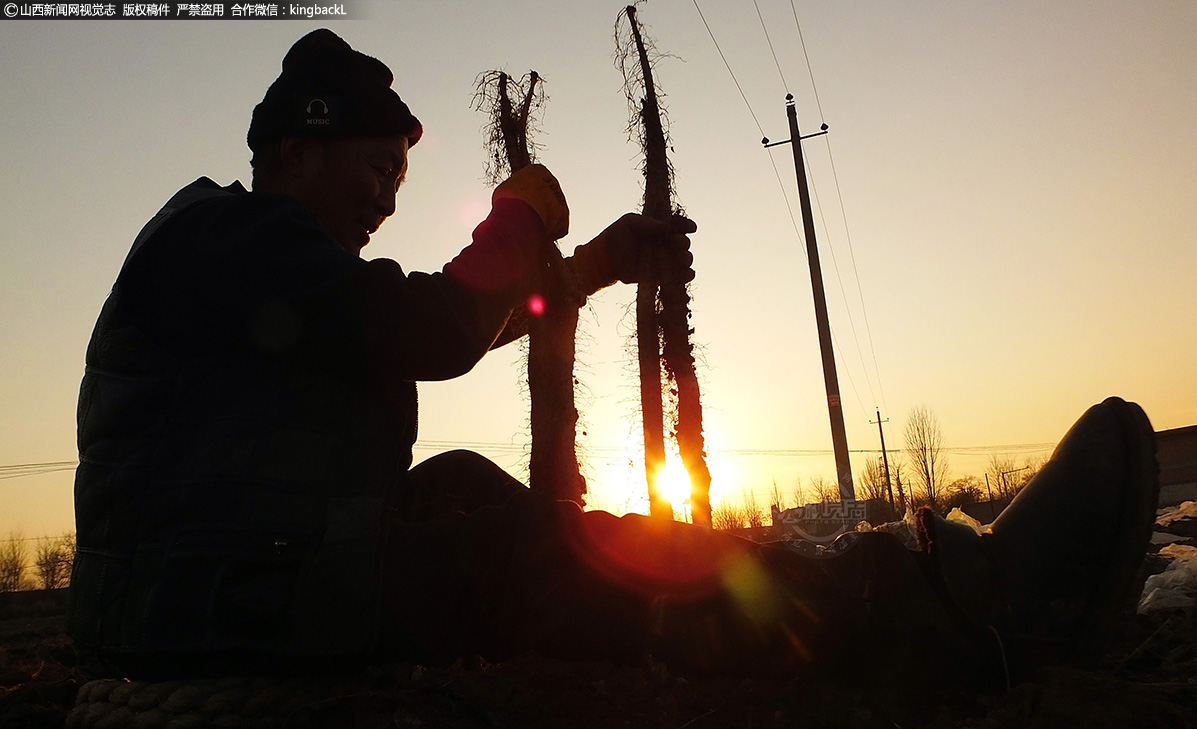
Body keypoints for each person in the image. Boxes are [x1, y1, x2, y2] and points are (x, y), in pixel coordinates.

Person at [69, 30, 1160, 689]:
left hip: (229, 586)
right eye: (371, 164)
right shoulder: (220, 236)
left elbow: (440, 321)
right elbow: (439, 326)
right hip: (209, 606)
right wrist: (515, 218)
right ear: (294, 147)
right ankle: (946, 612)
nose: (386, 195)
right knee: (534, 562)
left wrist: (584, 267)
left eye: (402, 173)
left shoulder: (277, 275)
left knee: (466, 494)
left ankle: (855, 584)